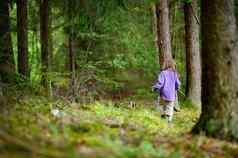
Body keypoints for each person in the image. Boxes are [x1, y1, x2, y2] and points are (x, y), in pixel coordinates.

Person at [152, 59, 180, 124]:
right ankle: (169, 120)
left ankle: (163, 115)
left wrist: (155, 88)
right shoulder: (175, 74)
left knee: (162, 105)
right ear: (173, 65)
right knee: (170, 107)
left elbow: (160, 83)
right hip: (171, 95)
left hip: (163, 94)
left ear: (166, 65)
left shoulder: (163, 73)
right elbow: (177, 83)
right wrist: (177, 88)